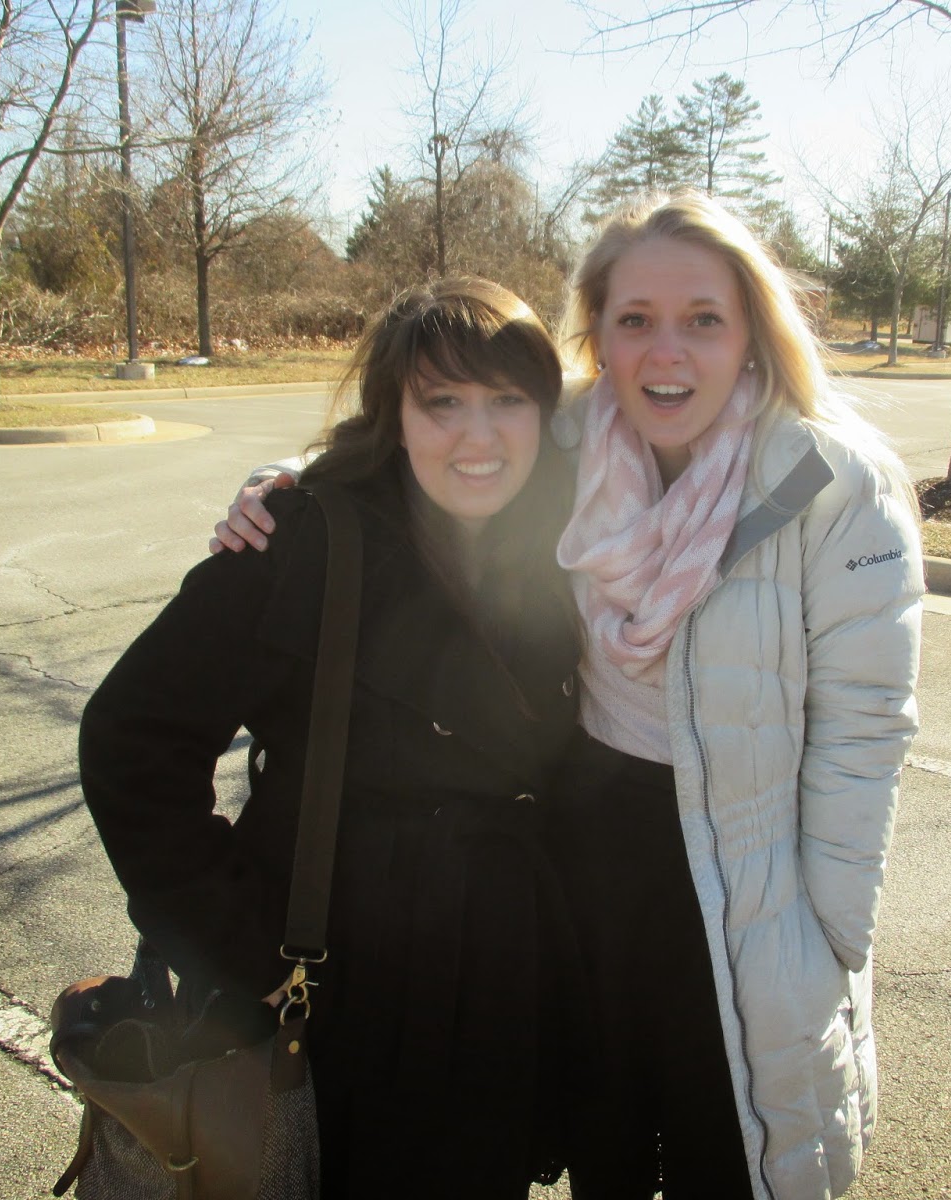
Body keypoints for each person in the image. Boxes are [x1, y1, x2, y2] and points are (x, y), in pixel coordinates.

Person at [220, 193, 924, 1200]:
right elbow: (435, 441)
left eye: (703, 319)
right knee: (606, 1144)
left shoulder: (832, 482)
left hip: (745, 878)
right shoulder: (575, 437)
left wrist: (831, 940)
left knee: (731, 1152)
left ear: (750, 332)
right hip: (584, 850)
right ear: (596, 335)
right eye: (635, 319)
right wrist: (284, 480)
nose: (666, 352)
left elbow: (864, 734)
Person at [79, 277, 583, 1200]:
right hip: (340, 989)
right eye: (443, 403)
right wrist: (245, 952)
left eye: (509, 400)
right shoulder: (306, 542)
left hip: (500, 979)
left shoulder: (571, 537)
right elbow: (132, 740)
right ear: (394, 414)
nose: (479, 436)